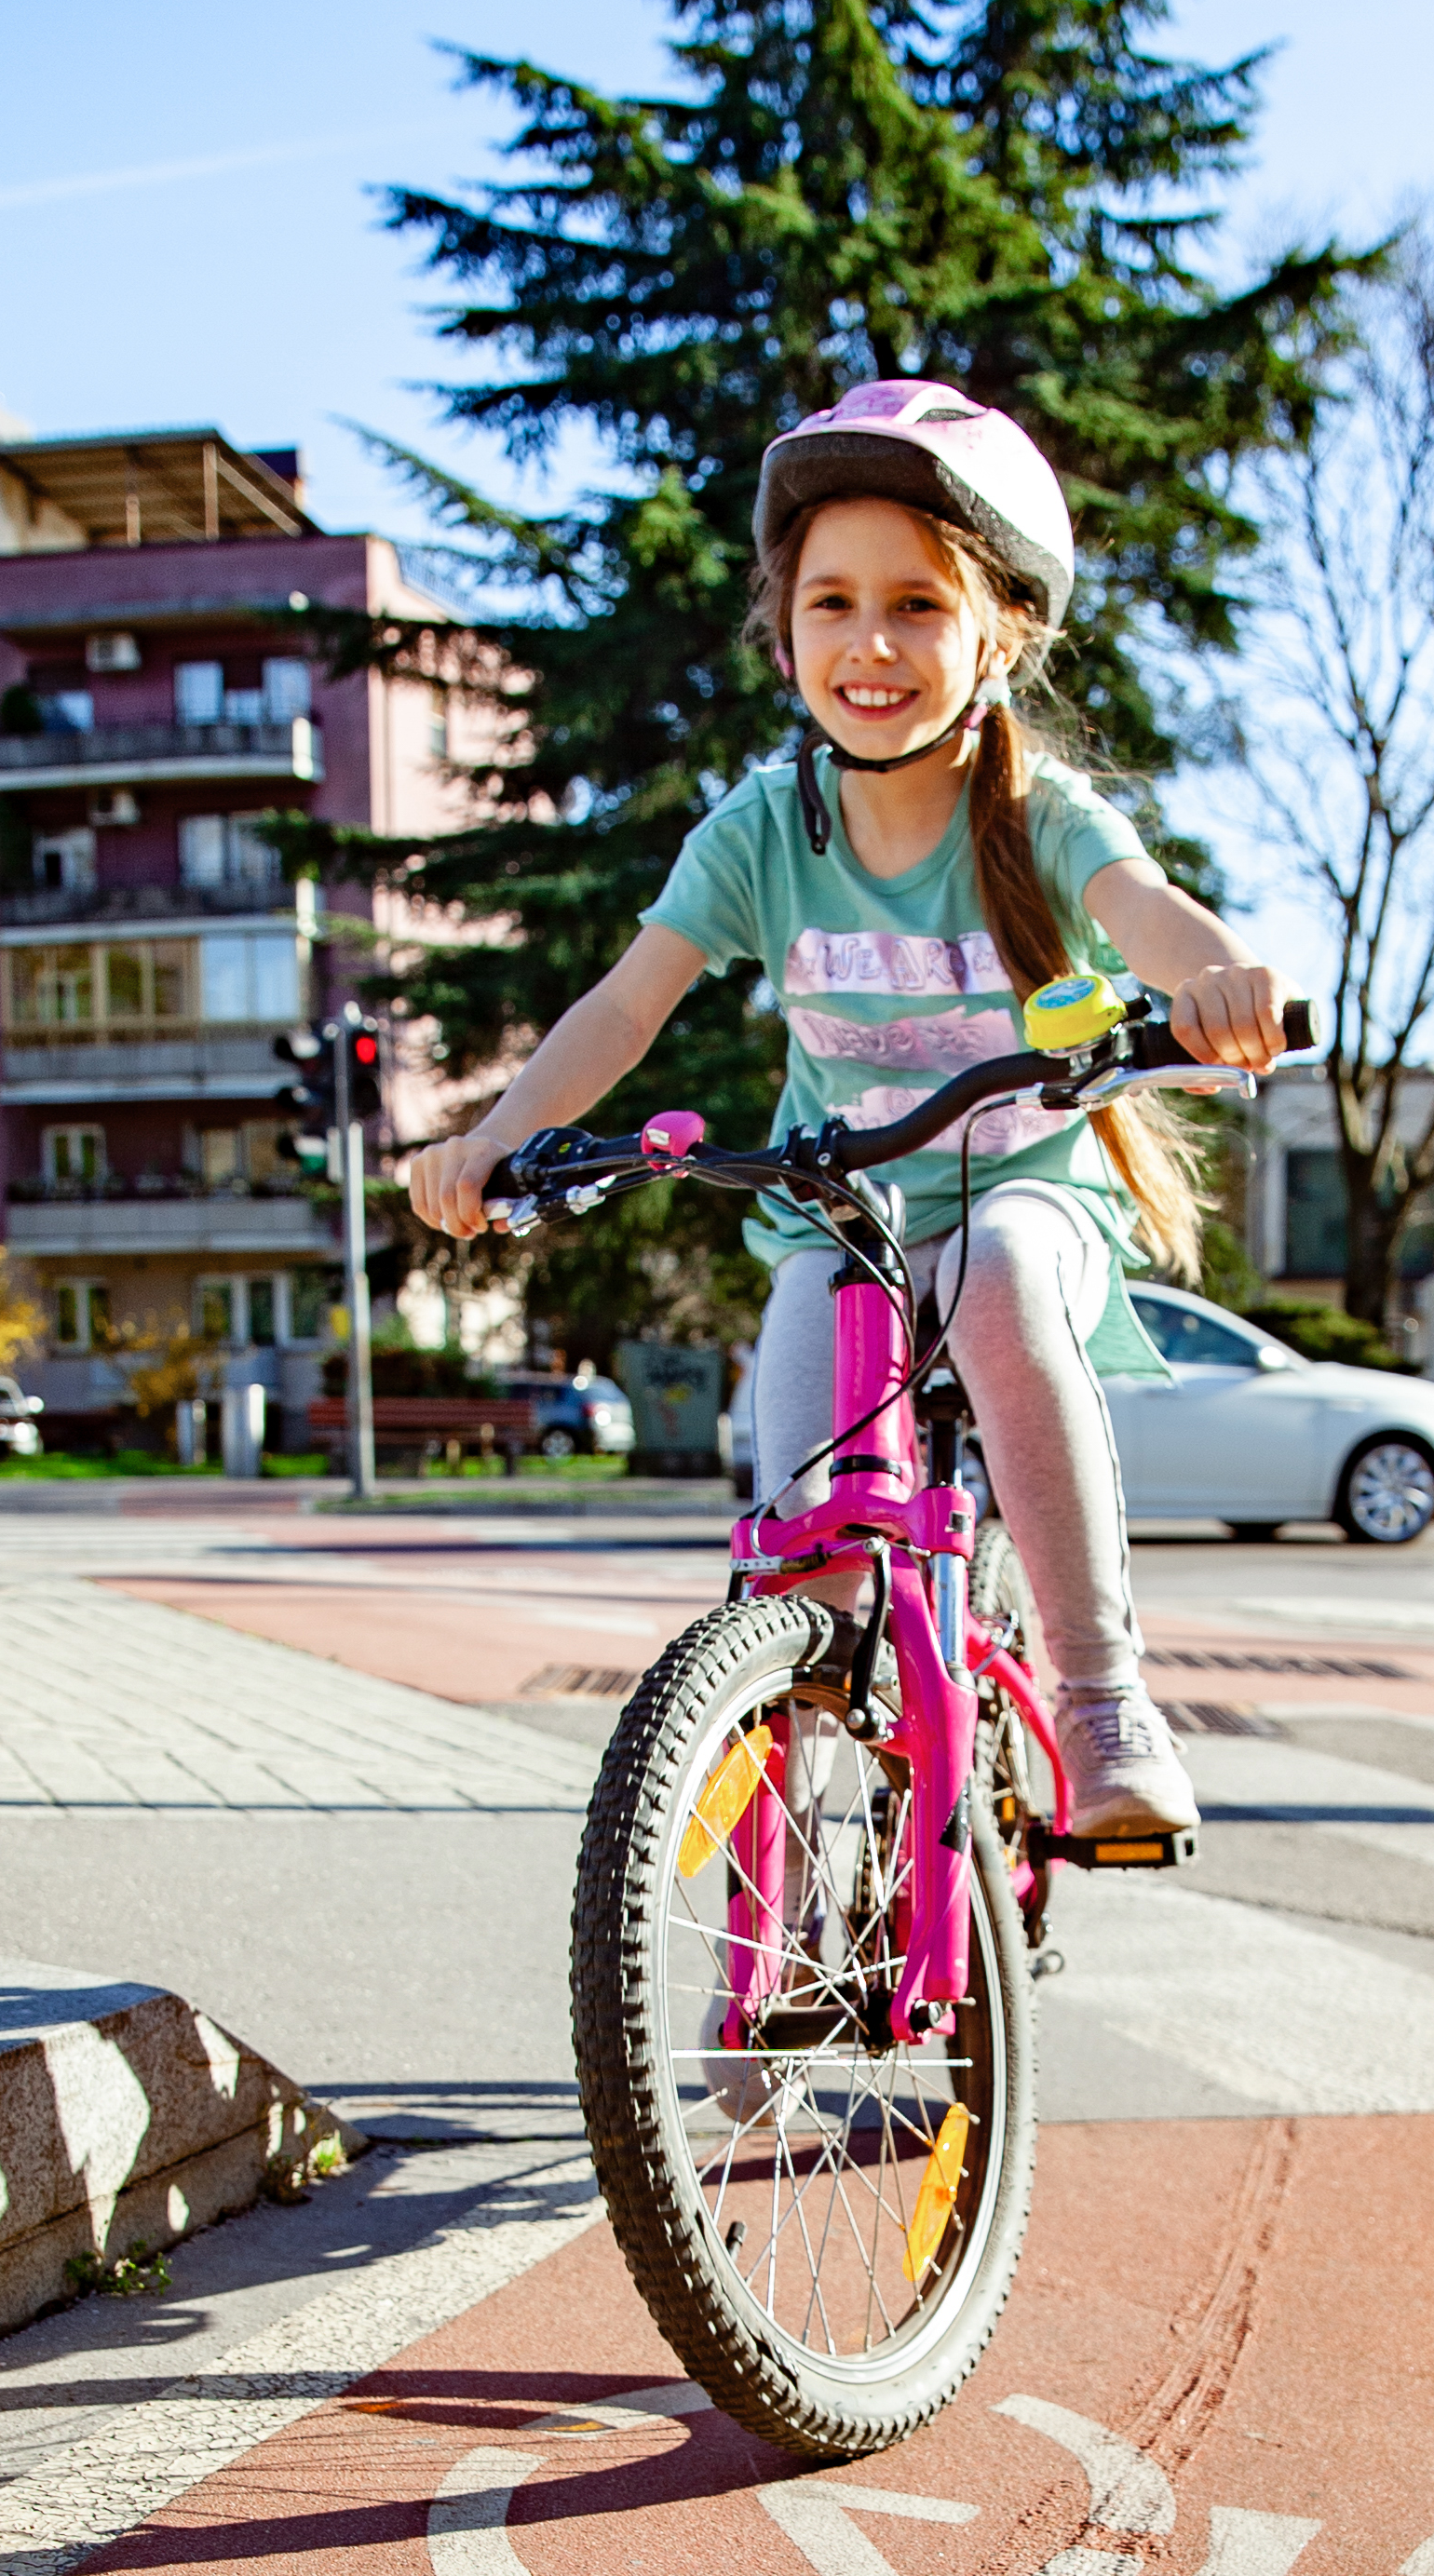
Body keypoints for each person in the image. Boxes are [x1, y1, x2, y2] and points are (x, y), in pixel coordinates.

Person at [408, 380, 1294, 1843]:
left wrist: (1219, 987)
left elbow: (1147, 914)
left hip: (1029, 1194)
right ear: (786, 629)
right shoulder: (765, 827)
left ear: (998, 632)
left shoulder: (1036, 815)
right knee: (802, 1551)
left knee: (1005, 1284)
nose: (869, 645)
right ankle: (785, 1884)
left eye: (917, 607)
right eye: (832, 603)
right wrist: (501, 1135)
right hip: (847, 1219)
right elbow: (628, 1005)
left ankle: (1098, 1696)